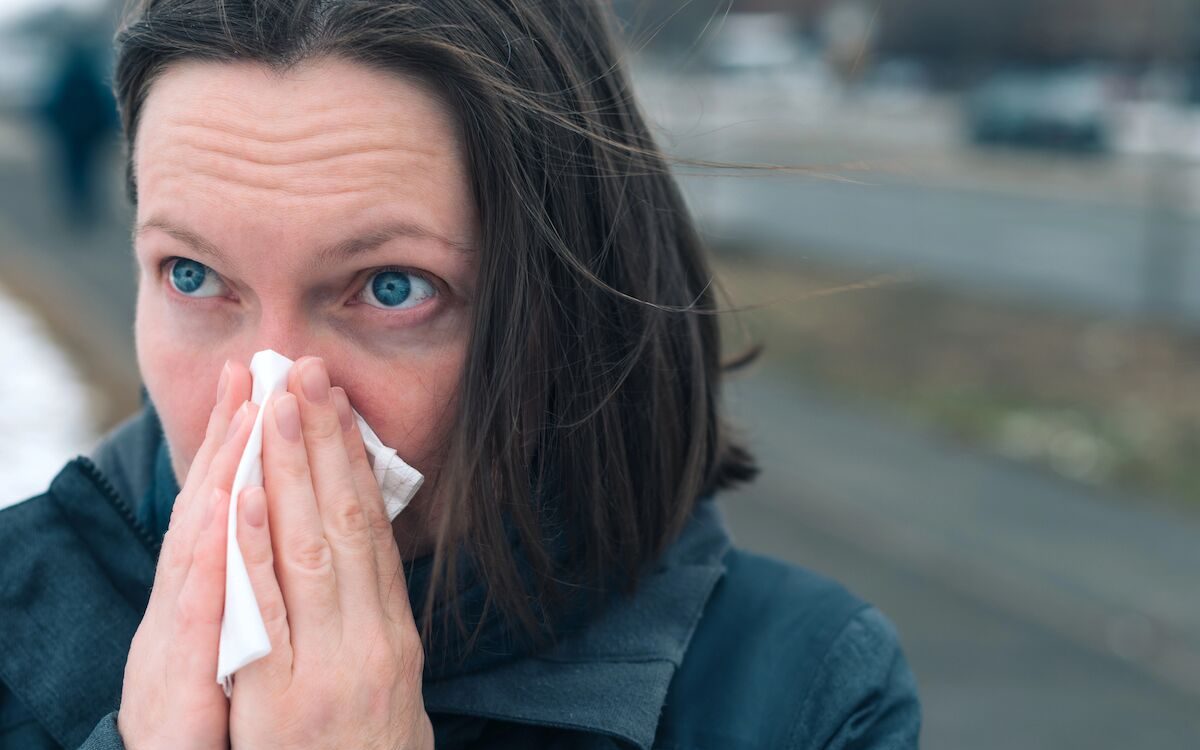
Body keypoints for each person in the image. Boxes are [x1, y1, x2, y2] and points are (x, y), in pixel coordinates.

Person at [0, 1, 921, 748]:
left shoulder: (798, 691)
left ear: (560, 308)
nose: (277, 398)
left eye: (391, 288)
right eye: (193, 276)